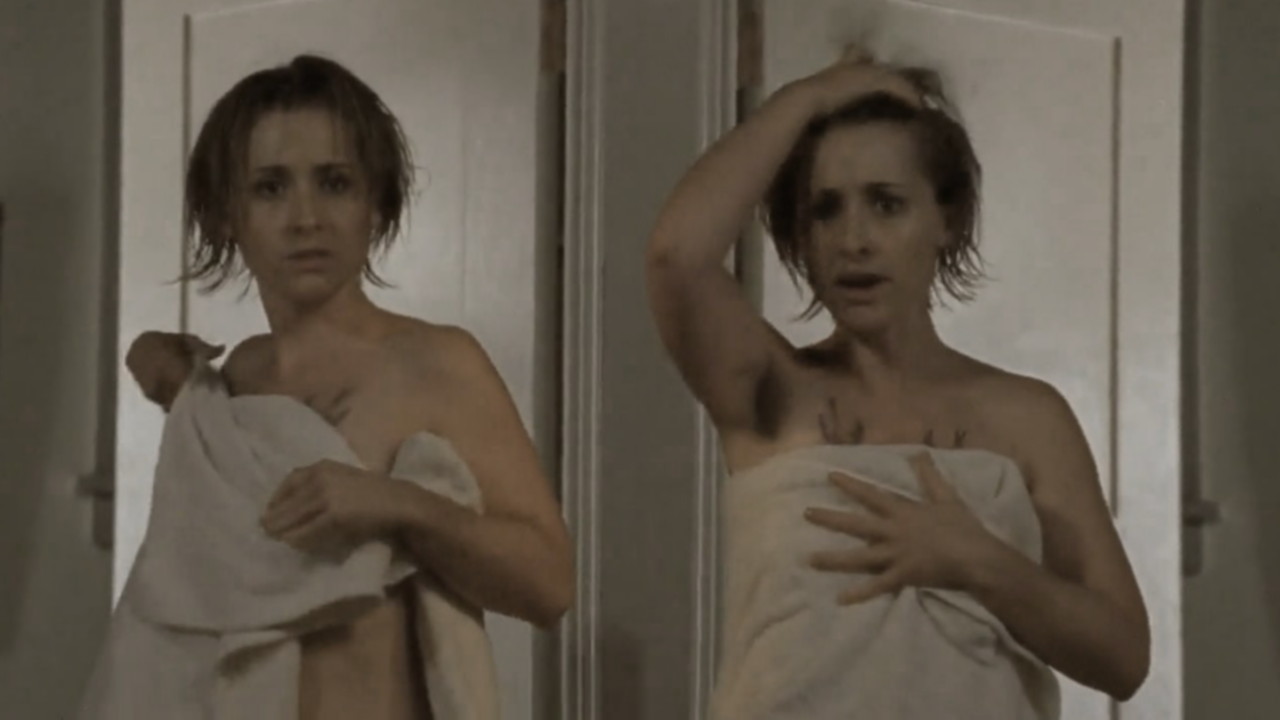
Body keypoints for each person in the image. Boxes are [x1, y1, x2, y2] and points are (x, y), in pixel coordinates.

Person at [646, 49, 1150, 713]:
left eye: (886, 205)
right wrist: (812, 95)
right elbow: (677, 256)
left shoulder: (1027, 416)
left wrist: (977, 561)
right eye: (826, 210)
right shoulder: (773, 391)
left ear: (945, 220)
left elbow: (1123, 656)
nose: (854, 240)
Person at [123, 54, 573, 719]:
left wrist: (398, 504)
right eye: (270, 188)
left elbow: (548, 584)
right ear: (226, 217)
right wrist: (167, 378)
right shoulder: (236, 380)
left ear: (376, 204)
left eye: (334, 183)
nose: (306, 217)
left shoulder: (437, 364)